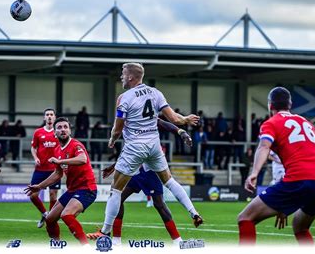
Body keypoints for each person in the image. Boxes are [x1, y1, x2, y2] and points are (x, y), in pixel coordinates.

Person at [86, 63, 201, 240]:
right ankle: (193, 211)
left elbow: (118, 127)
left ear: (131, 77)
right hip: (154, 145)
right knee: (169, 181)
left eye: (123, 74)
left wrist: (112, 139)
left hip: (135, 147)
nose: (121, 77)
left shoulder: (124, 97)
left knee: (115, 191)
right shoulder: (156, 93)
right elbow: (174, 118)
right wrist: (185, 120)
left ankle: (105, 232)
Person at [237, 86, 315, 245]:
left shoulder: (271, 123)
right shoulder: (306, 123)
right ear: (290, 104)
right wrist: (285, 204)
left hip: (300, 178)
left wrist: (254, 172)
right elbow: (305, 155)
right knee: (300, 227)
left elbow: (264, 147)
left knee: (245, 218)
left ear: (270, 105)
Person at [103, 118, 199, 246]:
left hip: (150, 172)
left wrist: (180, 131)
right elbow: (129, 151)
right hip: (135, 171)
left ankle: (178, 241)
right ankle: (116, 241)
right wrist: (114, 166)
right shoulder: (130, 122)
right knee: (118, 198)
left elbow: (163, 123)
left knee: (159, 205)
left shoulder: (145, 116)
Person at [25, 117, 97, 245]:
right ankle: (57, 246)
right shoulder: (57, 149)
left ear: (70, 130)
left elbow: (82, 159)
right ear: (55, 132)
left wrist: (60, 161)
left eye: (65, 127)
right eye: (59, 127)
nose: (63, 130)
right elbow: (58, 174)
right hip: (72, 190)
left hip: (87, 188)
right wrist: (40, 186)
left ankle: (86, 247)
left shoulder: (76, 144)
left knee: (66, 215)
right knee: (50, 219)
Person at [30, 108, 61, 228]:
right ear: (44, 117)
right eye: (47, 115)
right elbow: (33, 147)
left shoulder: (59, 132)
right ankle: (44, 213)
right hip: (40, 169)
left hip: (55, 170)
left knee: (53, 195)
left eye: (51, 115)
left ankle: (51, 220)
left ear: (54, 117)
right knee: (33, 195)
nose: (49, 116)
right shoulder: (38, 132)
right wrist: (35, 158)